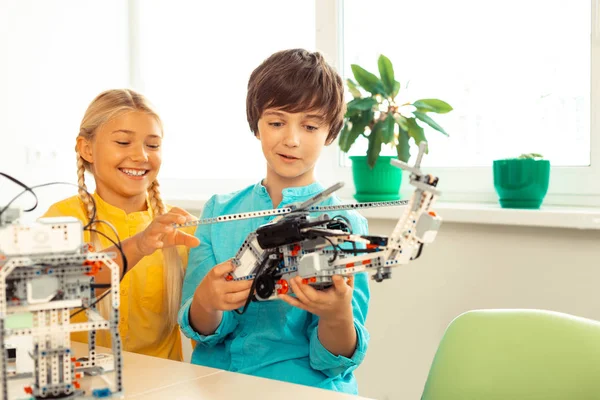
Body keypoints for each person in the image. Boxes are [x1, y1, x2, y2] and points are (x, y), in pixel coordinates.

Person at [179, 49, 370, 393]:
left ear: (330, 134)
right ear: (256, 125)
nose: (291, 139)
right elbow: (202, 332)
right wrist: (205, 302)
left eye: (310, 126)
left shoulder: (344, 225)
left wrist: (336, 314)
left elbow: (333, 360)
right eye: (277, 122)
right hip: (218, 385)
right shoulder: (219, 211)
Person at [43, 89, 199, 361]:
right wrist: (138, 245)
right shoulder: (61, 221)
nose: (141, 156)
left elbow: (205, 331)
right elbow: (50, 296)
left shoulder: (182, 230)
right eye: (124, 142)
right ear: (87, 148)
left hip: (161, 384)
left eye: (153, 145)